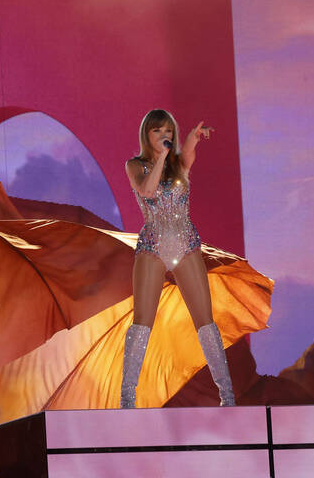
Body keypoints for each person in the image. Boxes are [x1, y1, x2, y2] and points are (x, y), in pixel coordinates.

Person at [118, 108, 233, 407]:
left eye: (168, 130)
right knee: (142, 321)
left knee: (205, 320)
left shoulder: (180, 164)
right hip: (153, 245)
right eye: (158, 131)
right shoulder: (135, 165)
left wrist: (194, 139)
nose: (164, 135)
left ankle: (228, 397)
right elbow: (148, 190)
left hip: (185, 243)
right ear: (147, 134)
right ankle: (128, 398)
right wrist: (159, 159)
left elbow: (189, 155)